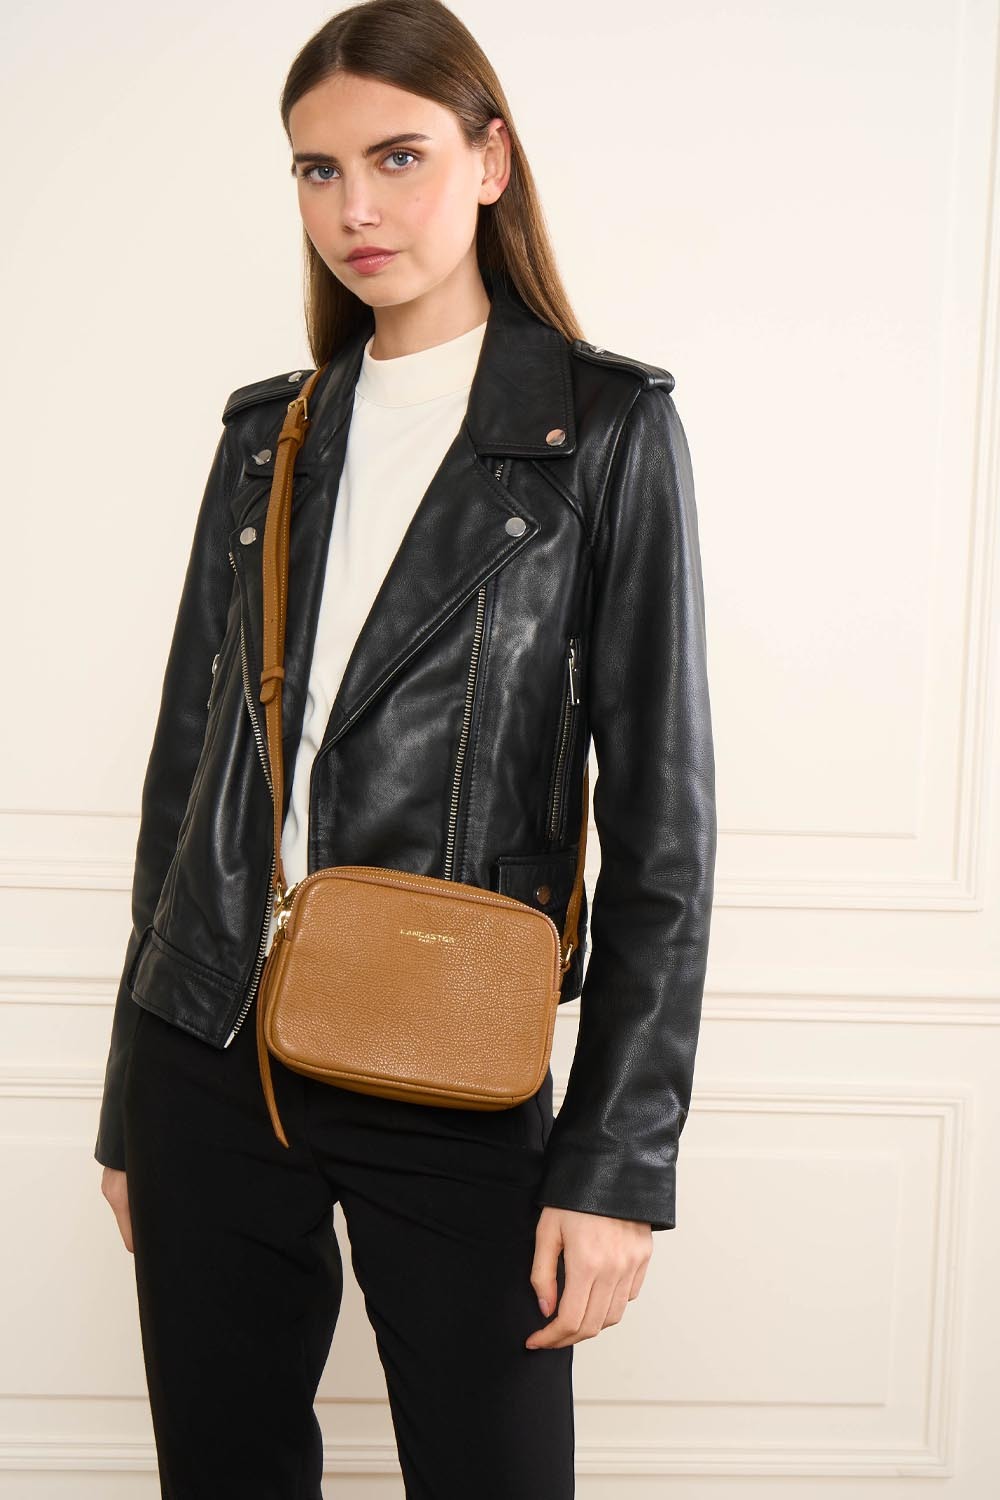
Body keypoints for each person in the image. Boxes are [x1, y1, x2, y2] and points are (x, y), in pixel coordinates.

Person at [94, 1, 718, 1495]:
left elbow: (662, 833)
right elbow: (187, 779)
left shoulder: (602, 433)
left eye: (398, 157)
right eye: (318, 171)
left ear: (490, 160)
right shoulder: (270, 438)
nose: (356, 209)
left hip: (452, 1055)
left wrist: (617, 1165)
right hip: (208, 1057)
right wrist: (132, 1096)